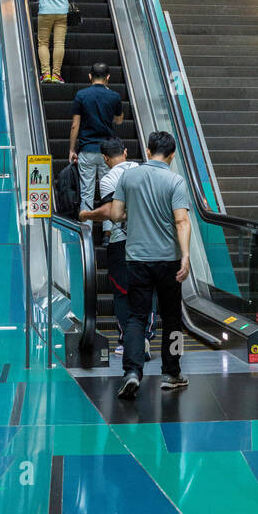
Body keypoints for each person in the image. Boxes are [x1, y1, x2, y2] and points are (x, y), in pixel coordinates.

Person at [108, 130, 191, 397]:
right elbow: (181, 220)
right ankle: (172, 372)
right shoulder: (175, 181)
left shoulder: (128, 177)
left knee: (136, 317)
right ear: (172, 153)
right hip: (167, 260)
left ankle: (132, 372)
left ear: (147, 149)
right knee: (172, 319)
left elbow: (116, 213)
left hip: (136, 259)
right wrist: (186, 256)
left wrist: (136, 215)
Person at [78, 138, 155, 357]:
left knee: (122, 292)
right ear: (126, 152)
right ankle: (145, 336)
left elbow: (112, 211)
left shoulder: (109, 178)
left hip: (121, 242)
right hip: (149, 240)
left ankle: (126, 339)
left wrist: (87, 214)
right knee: (147, 289)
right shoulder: (145, 170)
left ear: (104, 158)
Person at [69, 63, 124, 227]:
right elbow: (119, 120)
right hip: (108, 153)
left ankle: (86, 230)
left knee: (87, 191)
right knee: (109, 191)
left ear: (89, 76)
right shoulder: (114, 96)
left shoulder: (81, 95)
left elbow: (75, 125)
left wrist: (72, 149)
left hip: (87, 150)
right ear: (108, 78)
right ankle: (110, 231)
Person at [16, 0, 72, 83]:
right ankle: (56, 75)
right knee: (59, 43)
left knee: (43, 43)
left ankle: (46, 74)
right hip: (62, 11)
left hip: (45, 11)